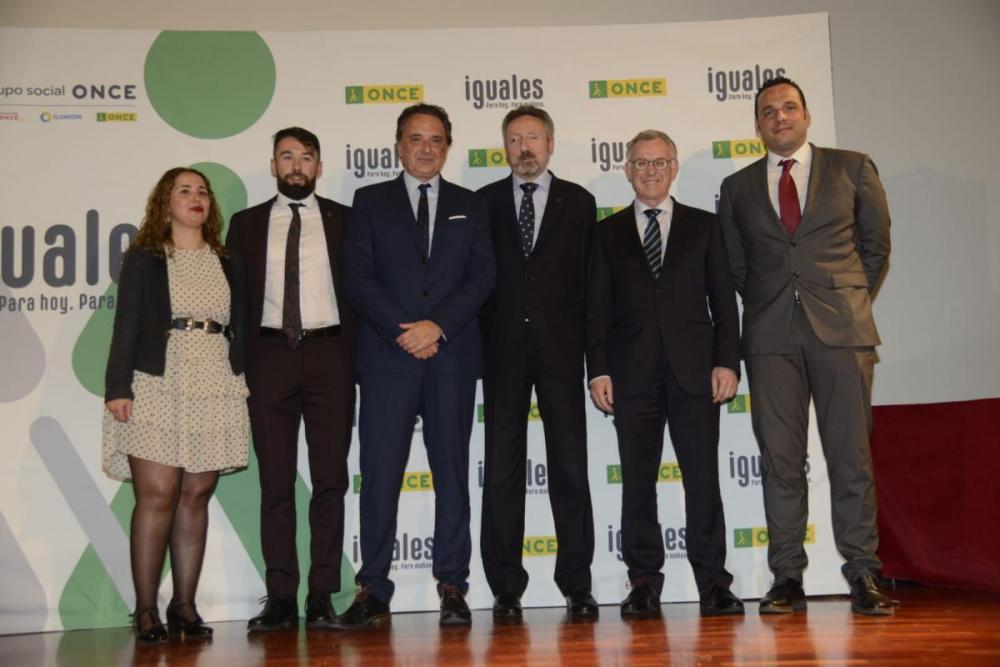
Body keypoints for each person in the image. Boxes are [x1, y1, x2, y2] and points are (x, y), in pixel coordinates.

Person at [718, 76, 894, 615]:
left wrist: (841, 297)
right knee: (781, 462)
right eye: (768, 111)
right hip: (771, 339)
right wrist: (778, 302)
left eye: (789, 107)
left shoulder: (852, 167)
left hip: (842, 333)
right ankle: (787, 577)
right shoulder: (738, 186)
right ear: (757, 125)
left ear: (807, 114)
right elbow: (737, 265)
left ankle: (863, 573)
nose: (780, 117)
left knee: (850, 458)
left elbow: (876, 248)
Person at [339, 103, 495, 628]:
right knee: (380, 475)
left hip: (451, 358)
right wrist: (404, 331)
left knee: (452, 475)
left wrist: (438, 327)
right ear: (398, 145)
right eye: (415, 138)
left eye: (435, 139)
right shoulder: (369, 201)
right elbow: (358, 278)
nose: (425, 148)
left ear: (447, 146)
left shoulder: (470, 205)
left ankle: (452, 584)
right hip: (388, 360)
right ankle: (373, 589)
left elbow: (481, 277)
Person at [589, 130, 744, 618]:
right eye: (640, 163)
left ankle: (713, 582)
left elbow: (724, 302)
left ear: (674, 168)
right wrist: (599, 371)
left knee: (702, 480)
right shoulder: (605, 233)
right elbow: (595, 311)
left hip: (696, 373)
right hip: (631, 376)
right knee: (638, 483)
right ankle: (642, 582)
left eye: (659, 162)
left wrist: (727, 361)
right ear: (627, 169)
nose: (650, 171)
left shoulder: (705, 226)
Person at [103, 167, 250, 642]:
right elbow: (126, 325)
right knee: (158, 496)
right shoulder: (145, 258)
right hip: (155, 381)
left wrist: (242, 377)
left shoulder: (228, 261)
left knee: (195, 496)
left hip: (214, 380)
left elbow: (241, 327)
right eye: (184, 191)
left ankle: (184, 605)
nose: (196, 198)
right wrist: (117, 388)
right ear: (164, 203)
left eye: (202, 191)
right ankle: (146, 609)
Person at [226, 127, 355, 631]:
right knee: (275, 482)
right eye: (287, 157)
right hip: (270, 356)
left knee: (330, 481)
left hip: (331, 357)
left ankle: (321, 593)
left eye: (306, 157)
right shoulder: (246, 224)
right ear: (273, 164)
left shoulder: (346, 221)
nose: (297, 165)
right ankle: (280, 594)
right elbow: (234, 298)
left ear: (319, 167)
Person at [478, 105, 599, 620]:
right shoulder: (481, 203)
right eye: (514, 139)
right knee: (502, 472)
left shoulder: (579, 201)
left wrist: (598, 362)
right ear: (503, 148)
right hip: (500, 353)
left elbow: (592, 288)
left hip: (562, 354)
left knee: (570, 468)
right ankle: (506, 586)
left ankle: (577, 582)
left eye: (533, 138)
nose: (524, 147)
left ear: (551, 144)